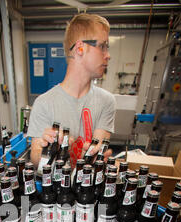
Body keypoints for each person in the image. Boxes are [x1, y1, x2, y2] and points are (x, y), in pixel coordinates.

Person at [27, 13, 116, 172]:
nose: (108, 55)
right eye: (102, 46)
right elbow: (36, 162)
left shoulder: (106, 101)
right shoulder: (44, 103)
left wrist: (95, 157)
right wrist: (47, 150)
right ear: (80, 48)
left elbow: (96, 154)